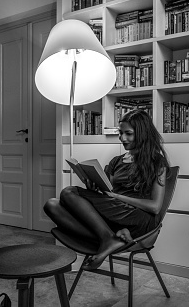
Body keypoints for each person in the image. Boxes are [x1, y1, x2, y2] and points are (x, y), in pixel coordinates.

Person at [44, 109, 170, 270]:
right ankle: (110, 238)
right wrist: (96, 190)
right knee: (52, 205)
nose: (122, 138)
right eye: (121, 133)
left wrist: (116, 196)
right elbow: (108, 192)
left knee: (68, 192)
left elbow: (155, 207)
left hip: (138, 218)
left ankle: (108, 239)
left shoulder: (156, 162)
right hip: (114, 216)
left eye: (129, 134)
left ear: (142, 134)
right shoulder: (116, 161)